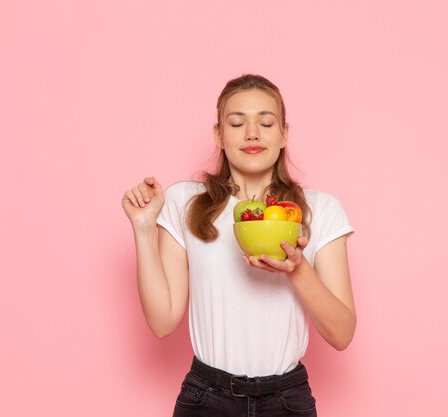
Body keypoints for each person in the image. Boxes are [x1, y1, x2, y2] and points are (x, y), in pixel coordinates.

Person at [122, 74, 356, 417]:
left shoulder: (320, 209)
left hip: (287, 401)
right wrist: (143, 229)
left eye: (265, 122)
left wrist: (297, 269)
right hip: (206, 398)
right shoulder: (184, 202)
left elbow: (342, 334)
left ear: (284, 134)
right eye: (236, 122)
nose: (252, 133)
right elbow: (162, 322)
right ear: (218, 134)